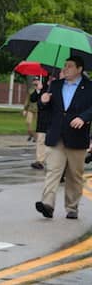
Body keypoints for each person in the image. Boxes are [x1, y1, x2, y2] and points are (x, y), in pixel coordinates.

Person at [35, 56, 92, 220]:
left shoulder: (88, 87)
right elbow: (45, 110)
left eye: (69, 66)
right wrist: (43, 101)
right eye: (64, 66)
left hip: (77, 137)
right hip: (56, 136)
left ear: (79, 69)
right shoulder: (55, 85)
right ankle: (47, 204)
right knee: (53, 171)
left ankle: (72, 207)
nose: (65, 69)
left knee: (74, 175)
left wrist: (84, 117)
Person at [29, 76, 51, 170]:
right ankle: (40, 161)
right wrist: (38, 90)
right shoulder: (43, 87)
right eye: (50, 78)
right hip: (42, 118)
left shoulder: (59, 87)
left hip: (54, 119)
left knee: (51, 142)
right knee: (41, 140)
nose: (51, 79)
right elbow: (33, 99)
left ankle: (51, 161)